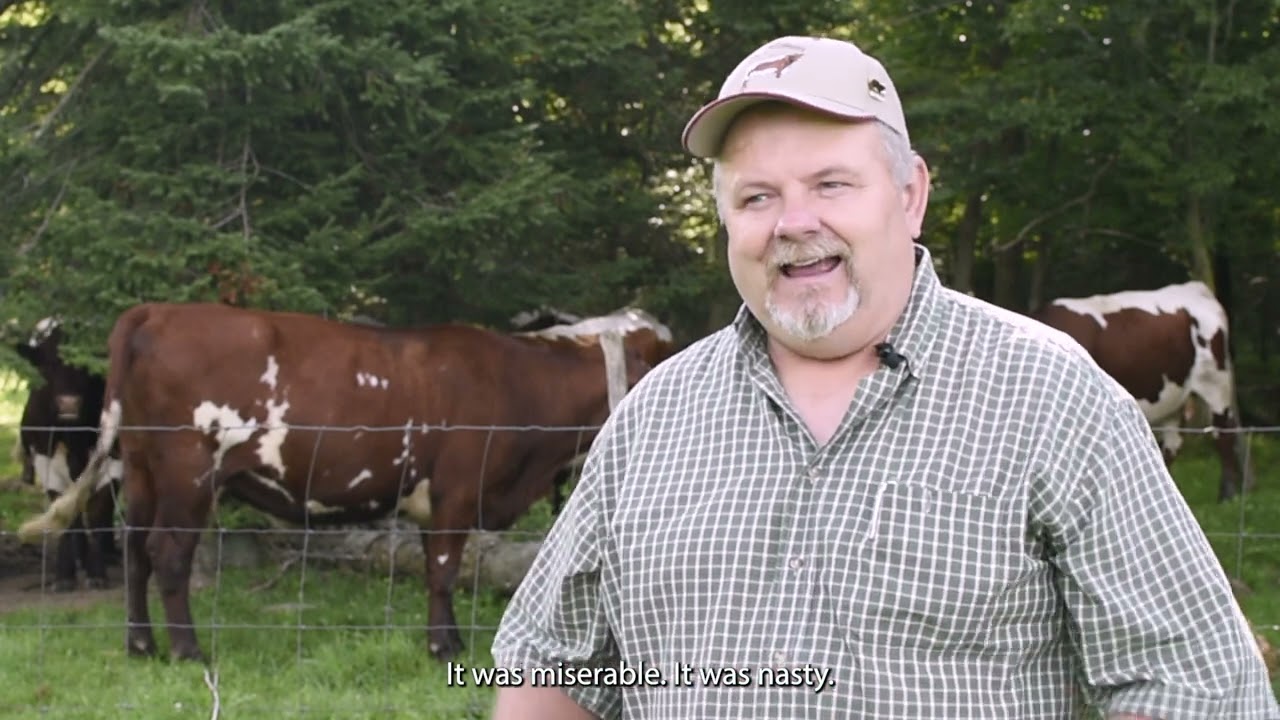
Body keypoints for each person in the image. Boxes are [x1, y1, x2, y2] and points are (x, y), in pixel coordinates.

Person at [488, 35, 1280, 719]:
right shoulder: (653, 418)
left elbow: (1194, 682)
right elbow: (550, 663)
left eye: (832, 184)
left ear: (909, 196)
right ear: (727, 220)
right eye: (757, 196)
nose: (794, 223)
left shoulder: (1051, 396)